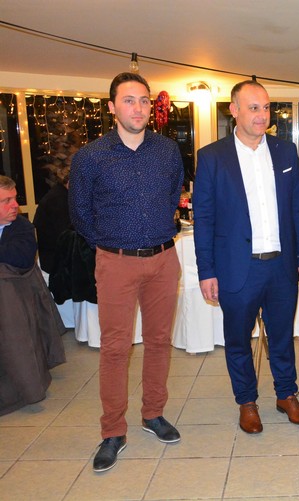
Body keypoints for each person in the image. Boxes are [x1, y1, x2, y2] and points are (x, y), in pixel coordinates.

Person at [69, 72, 184, 472]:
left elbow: (173, 194)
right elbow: (80, 213)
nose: (138, 108)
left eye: (144, 100)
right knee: (116, 349)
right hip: (115, 261)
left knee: (160, 341)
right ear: (112, 107)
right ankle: (113, 431)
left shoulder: (167, 151)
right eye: (129, 100)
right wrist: (111, 242)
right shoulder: (91, 157)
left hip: (164, 259)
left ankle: (153, 413)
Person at [193, 80, 299, 435]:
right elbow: (204, 218)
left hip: (280, 266)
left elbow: (298, 209)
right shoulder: (212, 157)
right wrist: (206, 271)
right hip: (236, 267)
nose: (263, 115)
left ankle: (286, 394)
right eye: (254, 107)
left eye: (266, 107)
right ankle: (246, 401)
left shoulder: (285, 152)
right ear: (234, 110)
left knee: (282, 336)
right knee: (238, 341)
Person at [0, 175, 66, 416]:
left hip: (16, 299)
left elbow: (21, 257)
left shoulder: (22, 228)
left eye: (14, 198)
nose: (15, 205)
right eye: (6, 201)